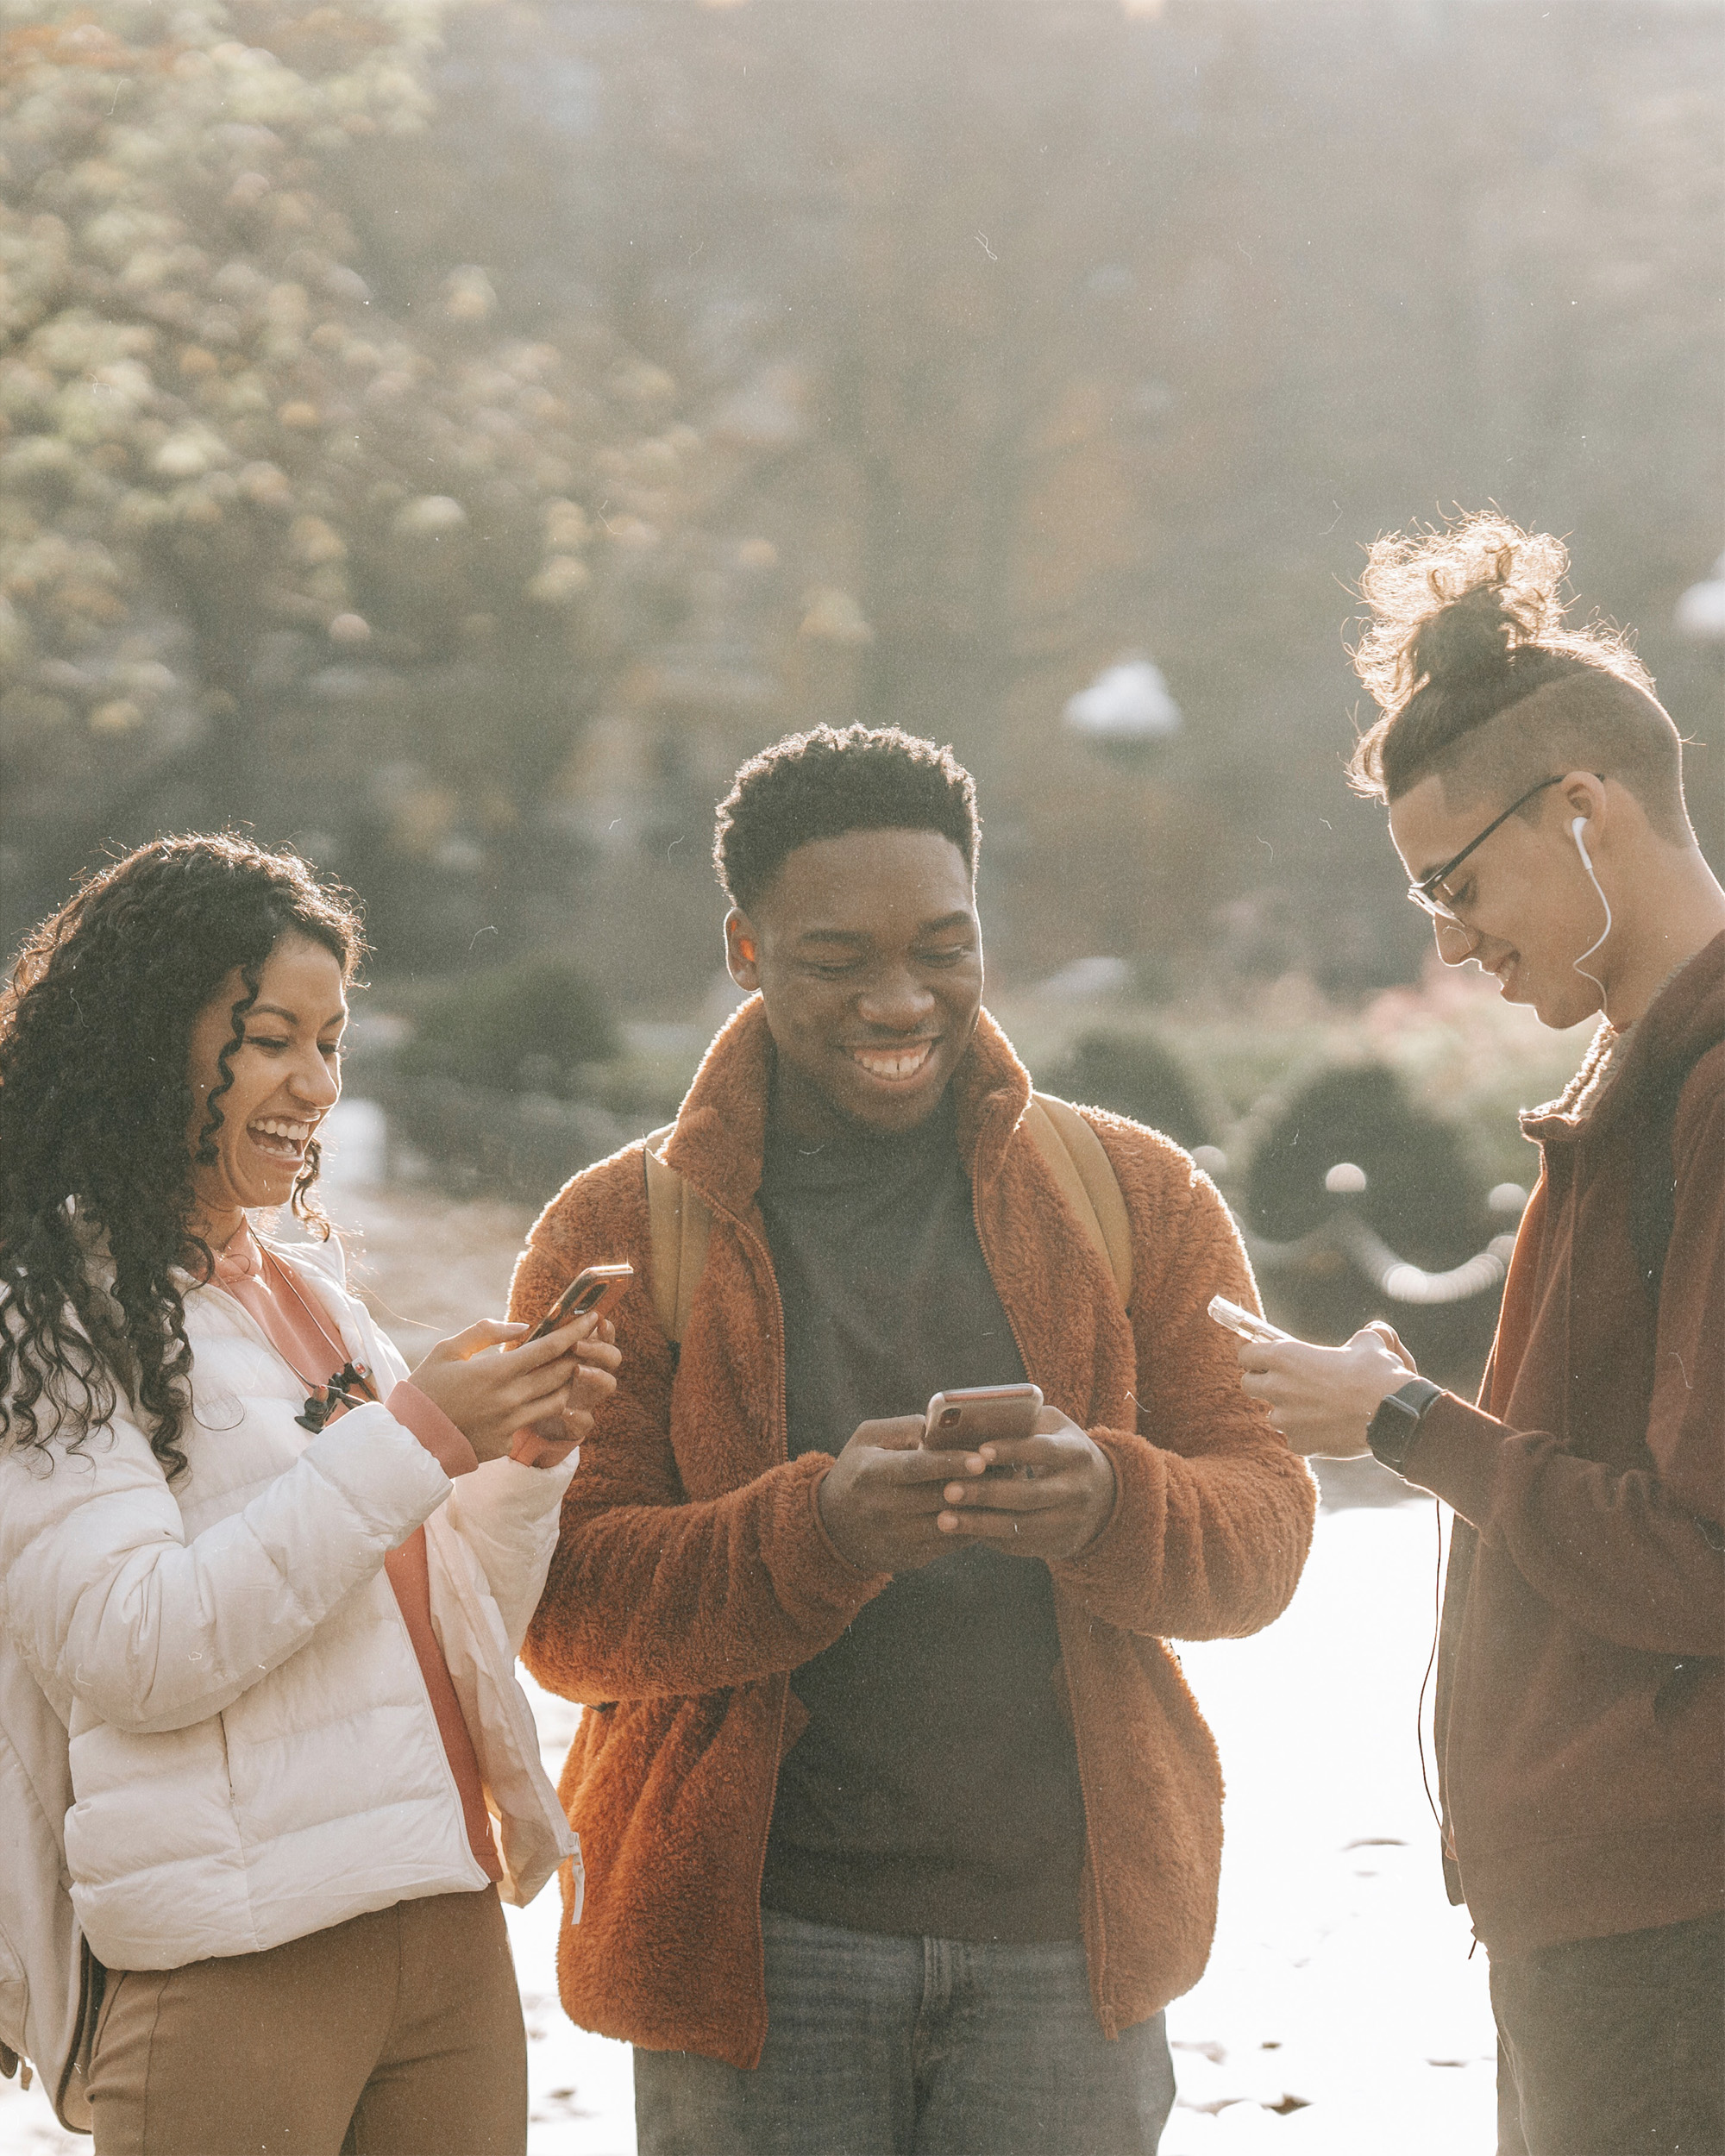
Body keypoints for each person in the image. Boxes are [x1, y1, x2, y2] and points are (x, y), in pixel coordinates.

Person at [511, 724, 1316, 2156]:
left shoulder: (1135, 1193)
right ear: (745, 950)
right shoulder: (618, 1231)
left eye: (944, 950)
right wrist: (814, 1534)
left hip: (1069, 1945)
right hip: (757, 1954)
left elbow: (1266, 1530)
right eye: (837, 961)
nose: (900, 1001)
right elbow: (561, 1608)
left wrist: (1109, 1502)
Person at [0, 834, 620, 2156]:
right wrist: (412, 1437)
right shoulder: (49, 1320)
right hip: (240, 1969)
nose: (315, 1083)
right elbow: (133, 1651)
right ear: (147, 1043)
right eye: (272, 1038)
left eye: (330, 1043)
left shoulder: (314, 1301)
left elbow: (455, 1632)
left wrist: (520, 1458)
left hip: (447, 1935)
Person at [1233, 518, 1725, 2156]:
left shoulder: (1712, 1092)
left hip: (1675, 1923)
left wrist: (1400, 1424)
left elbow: (1703, 1562)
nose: (1449, 940)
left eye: (1456, 886)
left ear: (1585, 810)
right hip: (1615, 1914)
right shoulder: (1645, 1073)